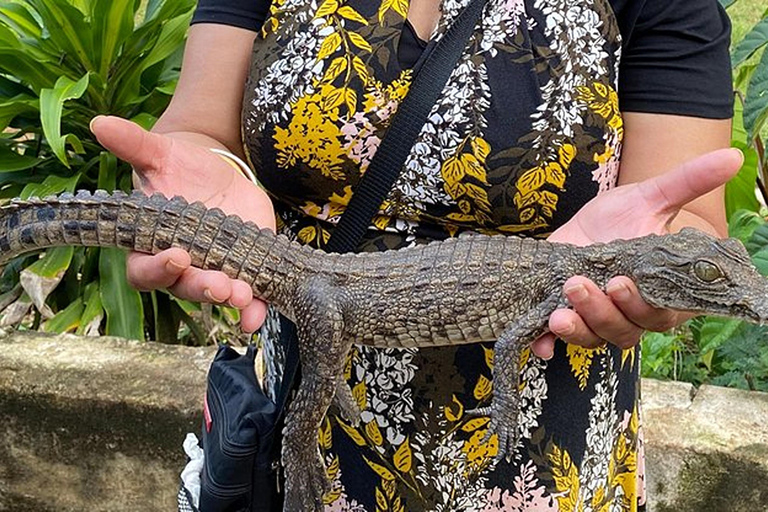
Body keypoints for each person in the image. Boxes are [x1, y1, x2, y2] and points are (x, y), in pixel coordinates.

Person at [91, 0, 737, 508]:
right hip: (311, 344)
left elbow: (695, 227)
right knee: (303, 444)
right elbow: (201, 126)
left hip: (548, 454)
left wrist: (676, 280)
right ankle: (301, 448)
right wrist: (204, 171)